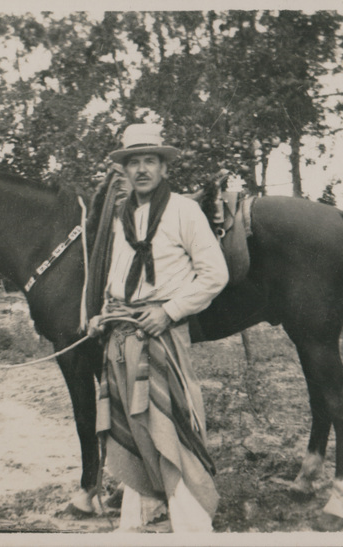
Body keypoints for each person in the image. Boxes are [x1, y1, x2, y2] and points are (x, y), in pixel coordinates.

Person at [88, 123, 229, 533]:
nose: (142, 169)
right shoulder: (121, 214)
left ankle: (192, 522)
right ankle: (140, 515)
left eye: (150, 160)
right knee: (133, 428)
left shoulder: (183, 211)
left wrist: (169, 312)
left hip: (161, 334)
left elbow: (214, 274)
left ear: (165, 168)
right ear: (125, 171)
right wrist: (102, 313)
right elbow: (117, 272)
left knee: (172, 424)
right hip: (121, 333)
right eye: (134, 162)